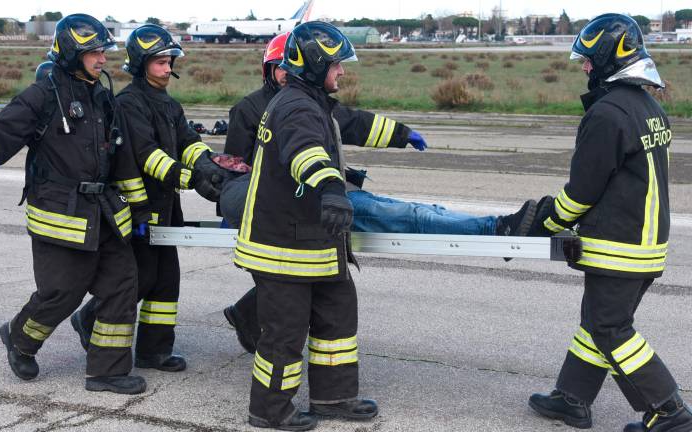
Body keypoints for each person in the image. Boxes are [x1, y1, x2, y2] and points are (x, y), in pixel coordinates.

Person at [221, 31, 537, 355]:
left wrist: (402, 134)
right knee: (398, 214)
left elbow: (355, 123)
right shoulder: (255, 108)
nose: (288, 73)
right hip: (295, 203)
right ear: (271, 71)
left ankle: (247, 316)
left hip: (315, 197)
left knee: (395, 216)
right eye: (281, 68)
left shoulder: (310, 101)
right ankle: (493, 228)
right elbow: (236, 169)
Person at [0, 14, 149, 394]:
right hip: (61, 214)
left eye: (103, 52)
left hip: (104, 213)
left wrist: (137, 209)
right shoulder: (42, 96)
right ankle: (20, 338)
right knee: (61, 293)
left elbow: (124, 158)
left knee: (121, 285)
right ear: (71, 53)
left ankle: (107, 371)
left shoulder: (102, 96)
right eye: (94, 53)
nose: (102, 59)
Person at [526, 14, 691, 431]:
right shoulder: (648, 104)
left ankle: (669, 411)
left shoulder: (608, 113)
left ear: (608, 59)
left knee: (610, 327)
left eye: (587, 60)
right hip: (646, 242)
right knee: (596, 322)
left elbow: (582, 192)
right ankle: (571, 398)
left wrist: (545, 222)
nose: (583, 68)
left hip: (619, 245)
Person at [69, 24, 230, 372]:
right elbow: (146, 154)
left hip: (165, 203)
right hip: (139, 206)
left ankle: (154, 351)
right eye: (159, 62)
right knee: (141, 276)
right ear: (141, 64)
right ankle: (89, 318)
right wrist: (189, 178)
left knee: (166, 277)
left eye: (169, 61)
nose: (167, 68)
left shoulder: (168, 103)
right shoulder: (129, 104)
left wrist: (208, 164)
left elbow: (188, 141)